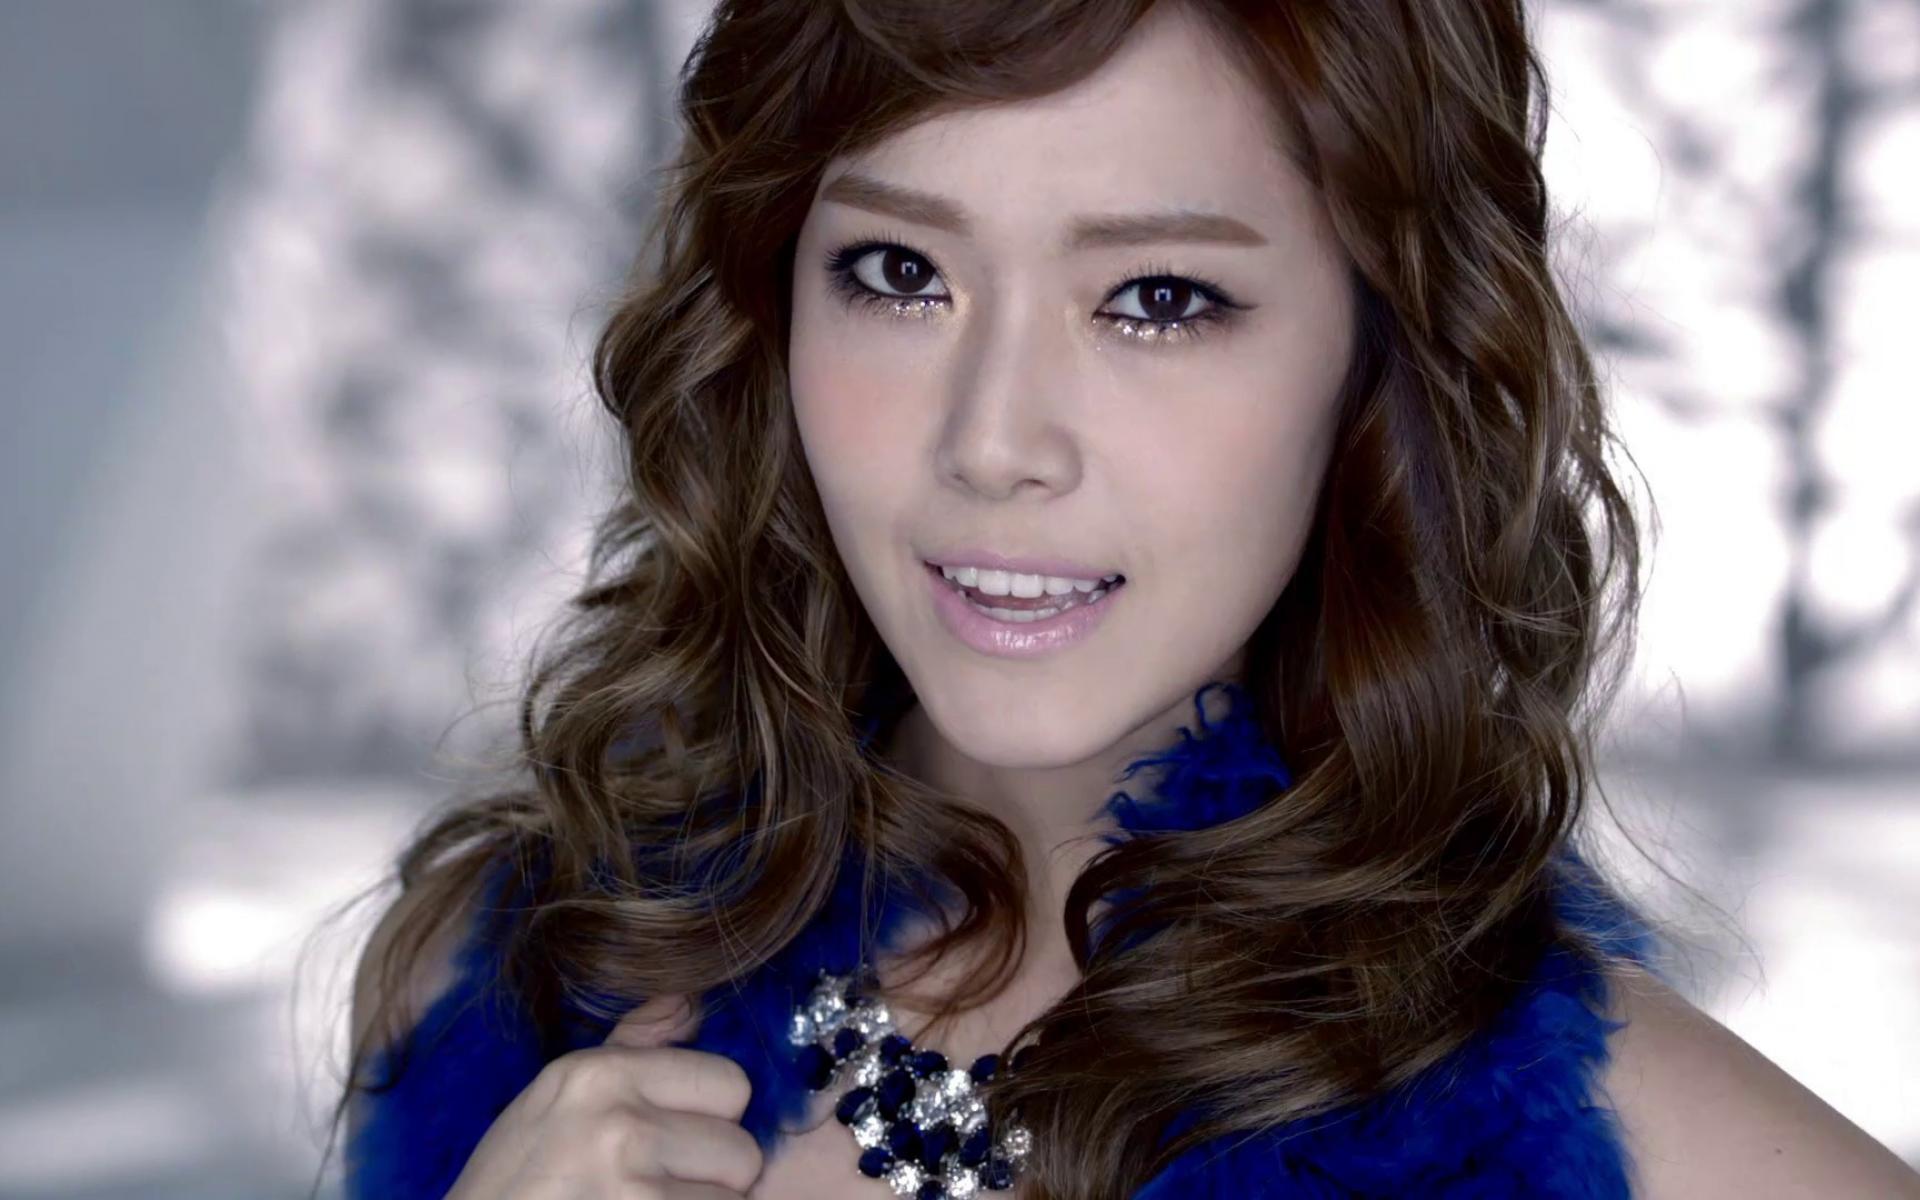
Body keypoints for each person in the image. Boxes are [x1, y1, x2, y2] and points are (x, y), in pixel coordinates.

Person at [324, 1, 1920, 1197]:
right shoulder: (497, 991)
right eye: (899, 272)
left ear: (1379, 359)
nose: (994, 442)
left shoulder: (1657, 1154)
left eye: (1156, 299)